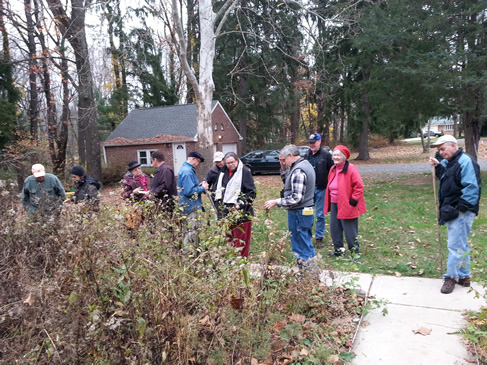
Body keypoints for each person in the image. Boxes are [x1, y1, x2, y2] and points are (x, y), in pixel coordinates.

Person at [428, 135, 481, 294]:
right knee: (461, 244)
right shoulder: (452, 162)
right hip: (453, 209)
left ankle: (450, 278)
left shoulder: (465, 161)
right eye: (439, 151)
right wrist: (438, 166)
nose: (441, 153)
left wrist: (460, 209)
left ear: (453, 145)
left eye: (442, 149)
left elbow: (472, 189)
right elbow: (447, 177)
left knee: (454, 245)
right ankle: (464, 276)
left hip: (460, 211)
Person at [264, 145, 317, 270]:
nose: (283, 162)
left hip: (299, 213)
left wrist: (277, 201)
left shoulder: (299, 171)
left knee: (300, 247)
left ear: (290, 156)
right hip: (305, 211)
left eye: (283, 160)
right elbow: (289, 183)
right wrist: (283, 168)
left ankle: (307, 275)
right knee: (306, 244)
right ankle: (311, 274)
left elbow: (296, 198)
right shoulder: (304, 164)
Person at [324, 145, 366, 260]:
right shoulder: (333, 169)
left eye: (338, 155)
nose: (335, 157)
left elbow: (359, 186)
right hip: (334, 203)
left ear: (344, 157)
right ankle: (339, 251)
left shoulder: (351, 169)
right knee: (335, 228)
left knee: (350, 230)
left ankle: (354, 253)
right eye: (334, 155)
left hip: (347, 204)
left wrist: (353, 201)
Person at [214, 152, 256, 257]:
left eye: (232, 162)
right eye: (227, 163)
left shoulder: (244, 172)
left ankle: (241, 265)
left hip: (241, 214)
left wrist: (239, 205)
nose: (230, 165)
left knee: (241, 242)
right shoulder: (222, 173)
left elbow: (251, 193)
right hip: (226, 213)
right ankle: (232, 263)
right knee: (229, 241)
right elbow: (217, 190)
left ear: (237, 161)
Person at [305, 133, 334, 248]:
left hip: (322, 189)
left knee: (321, 214)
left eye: (314, 142)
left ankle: (319, 237)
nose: (312, 145)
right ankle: (307, 236)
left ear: (319, 142)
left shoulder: (326, 155)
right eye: (310, 143)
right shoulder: (307, 155)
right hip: (309, 190)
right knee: (308, 213)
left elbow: (332, 171)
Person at [177, 151, 209, 245]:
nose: (198, 164)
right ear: (193, 159)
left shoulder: (185, 169)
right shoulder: (188, 172)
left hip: (186, 206)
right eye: (198, 161)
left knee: (189, 232)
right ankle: (190, 255)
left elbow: (188, 187)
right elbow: (189, 192)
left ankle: (191, 254)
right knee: (192, 233)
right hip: (191, 207)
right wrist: (203, 188)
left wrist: (198, 186)